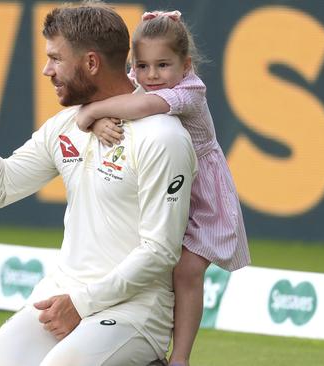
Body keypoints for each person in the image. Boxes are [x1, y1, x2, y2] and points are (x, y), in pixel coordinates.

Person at [0, 2, 197, 365]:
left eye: (56, 58)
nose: (47, 70)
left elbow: (160, 251)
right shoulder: (66, 126)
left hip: (134, 313)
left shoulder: (163, 136)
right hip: (61, 296)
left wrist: (82, 304)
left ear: (91, 63)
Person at [76, 10, 251, 365]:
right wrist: (94, 122)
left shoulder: (190, 92)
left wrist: (88, 115)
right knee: (148, 261)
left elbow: (139, 105)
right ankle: (131, 335)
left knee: (186, 271)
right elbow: (109, 100)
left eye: (162, 65)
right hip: (165, 191)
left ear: (185, 65)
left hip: (201, 199)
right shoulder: (137, 82)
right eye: (142, 66)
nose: (151, 75)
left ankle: (181, 357)